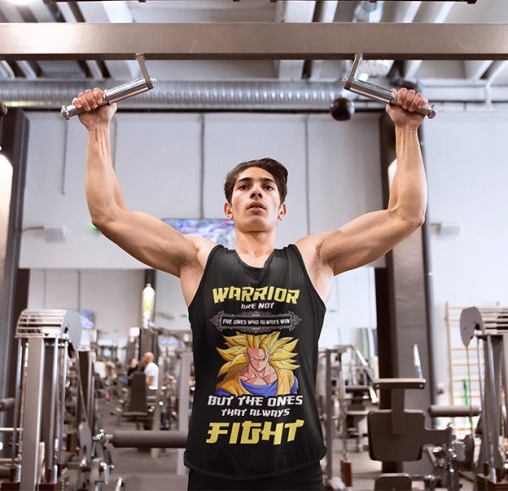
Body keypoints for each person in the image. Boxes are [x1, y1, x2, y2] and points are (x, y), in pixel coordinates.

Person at [72, 86, 427, 490]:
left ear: (281, 209)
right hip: (215, 466)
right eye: (244, 186)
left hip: (295, 466)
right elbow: (109, 215)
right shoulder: (199, 261)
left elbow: (406, 215)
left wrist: (406, 130)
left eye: (267, 186)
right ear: (229, 209)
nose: (256, 190)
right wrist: (98, 129)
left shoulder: (313, 260)